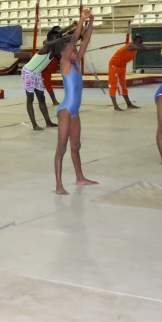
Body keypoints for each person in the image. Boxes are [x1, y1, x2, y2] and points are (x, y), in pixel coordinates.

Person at [54, 10, 98, 195]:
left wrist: (92, 21)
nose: (76, 50)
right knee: (62, 147)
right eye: (73, 50)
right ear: (64, 53)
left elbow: (85, 40)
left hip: (75, 111)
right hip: (65, 110)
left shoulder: (77, 62)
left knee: (76, 146)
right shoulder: (65, 63)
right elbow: (74, 39)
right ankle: (58, 184)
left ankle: (80, 177)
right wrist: (81, 20)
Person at [108, 34, 162, 111]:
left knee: (123, 86)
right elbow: (146, 48)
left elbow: (144, 48)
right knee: (113, 85)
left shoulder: (136, 48)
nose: (141, 43)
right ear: (136, 41)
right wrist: (160, 47)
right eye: (140, 42)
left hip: (122, 66)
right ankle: (115, 106)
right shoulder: (131, 46)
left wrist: (159, 46)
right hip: (114, 65)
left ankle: (129, 104)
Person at [41, 23, 77, 106]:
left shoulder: (58, 39)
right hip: (46, 64)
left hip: (55, 61)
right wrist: (72, 25)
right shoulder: (47, 42)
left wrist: (77, 27)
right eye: (58, 33)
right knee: (47, 83)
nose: (60, 35)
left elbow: (67, 34)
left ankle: (67, 97)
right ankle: (53, 100)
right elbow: (62, 33)